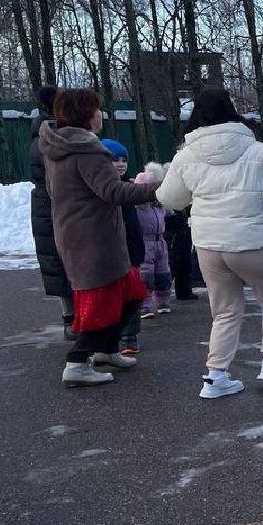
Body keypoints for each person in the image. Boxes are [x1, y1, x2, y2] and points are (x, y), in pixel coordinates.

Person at [156, 87, 263, 398]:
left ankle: (216, 376)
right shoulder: (259, 152)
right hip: (252, 243)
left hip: (209, 245)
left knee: (224, 311)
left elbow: (168, 197)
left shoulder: (186, 156)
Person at [38, 89, 162, 388]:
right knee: (101, 305)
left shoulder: (58, 146)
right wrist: (161, 187)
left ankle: (106, 351)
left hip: (80, 235)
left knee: (131, 294)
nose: (100, 115)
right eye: (96, 110)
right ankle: (77, 363)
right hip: (95, 241)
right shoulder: (86, 150)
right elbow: (114, 192)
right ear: (84, 114)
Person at [29, 85, 74, 339]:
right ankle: (72, 320)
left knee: (60, 261)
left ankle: (72, 319)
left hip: (48, 204)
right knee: (62, 262)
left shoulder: (43, 132)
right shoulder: (52, 136)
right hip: (54, 205)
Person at [99, 139, 145, 356]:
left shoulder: (130, 187)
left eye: (123, 160)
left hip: (132, 250)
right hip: (112, 252)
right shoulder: (103, 190)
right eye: (114, 160)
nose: (120, 164)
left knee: (132, 296)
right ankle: (109, 339)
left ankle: (130, 336)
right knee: (113, 297)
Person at [134, 175, 173, 317]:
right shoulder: (137, 208)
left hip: (160, 242)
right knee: (146, 274)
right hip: (146, 242)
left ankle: (163, 301)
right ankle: (144, 305)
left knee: (163, 273)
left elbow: (172, 208)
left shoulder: (158, 205)